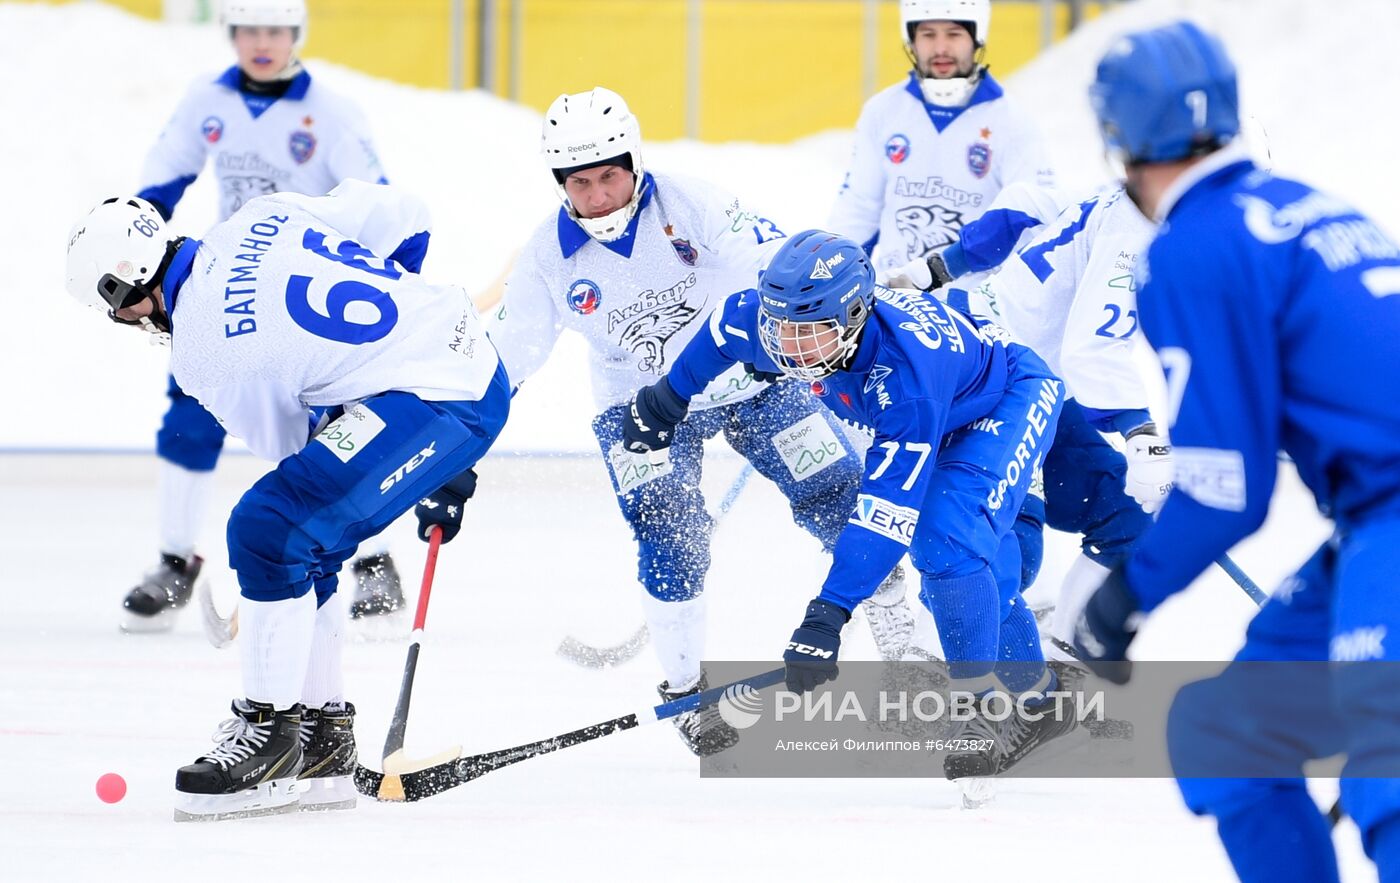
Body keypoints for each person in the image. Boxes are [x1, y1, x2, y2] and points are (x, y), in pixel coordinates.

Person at [1066, 21, 1400, 882]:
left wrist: (1122, 598)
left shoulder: (1193, 249)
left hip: (1392, 516)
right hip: (1371, 524)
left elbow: (1226, 489)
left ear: (1118, 137)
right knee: (1232, 731)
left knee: (1388, 773)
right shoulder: (1309, 204)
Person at [64, 180, 508, 820]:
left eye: (118, 313)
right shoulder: (261, 215)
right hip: (459, 357)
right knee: (303, 536)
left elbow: (291, 447)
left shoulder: (201, 350)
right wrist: (390, 346)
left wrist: (405, 424)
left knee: (268, 529)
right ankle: (322, 741)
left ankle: (271, 734)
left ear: (126, 293)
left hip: (439, 398)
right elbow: (408, 214)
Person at [486, 87, 911, 757]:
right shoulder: (547, 257)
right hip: (638, 405)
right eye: (580, 181)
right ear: (560, 182)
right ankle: (684, 689)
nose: (597, 194)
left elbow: (771, 259)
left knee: (839, 489)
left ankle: (900, 643)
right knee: (668, 526)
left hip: (745, 378)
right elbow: (509, 355)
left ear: (633, 161)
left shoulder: (690, 204)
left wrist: (809, 315)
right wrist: (456, 437)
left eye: (609, 175)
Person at [623, 230, 1079, 777]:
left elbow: (886, 513)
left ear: (857, 315)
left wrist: (827, 615)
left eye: (809, 334)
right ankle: (1039, 701)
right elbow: (723, 330)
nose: (790, 349)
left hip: (1001, 401)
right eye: (781, 328)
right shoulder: (776, 325)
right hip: (947, 400)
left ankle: (981, 707)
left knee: (944, 543)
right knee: (979, 572)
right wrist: (666, 399)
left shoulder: (905, 380)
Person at [125, 0, 402, 632]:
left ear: (295, 34)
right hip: (230, 287)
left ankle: (375, 561)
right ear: (231, 33)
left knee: (338, 422)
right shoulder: (208, 101)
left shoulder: (331, 114)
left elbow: (379, 203)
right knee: (190, 415)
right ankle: (174, 562)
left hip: (308, 290)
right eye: (248, 29)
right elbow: (158, 189)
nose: (261, 42)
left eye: (274, 29)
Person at [889, 182, 1170, 659]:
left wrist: (938, 268)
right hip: (992, 376)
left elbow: (1024, 204)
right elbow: (1094, 346)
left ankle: (1066, 666)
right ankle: (929, 664)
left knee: (1125, 520)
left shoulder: (1121, 191)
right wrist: (1140, 434)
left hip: (1030, 372)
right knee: (1004, 542)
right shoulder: (1137, 229)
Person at [828, 0, 1054, 278]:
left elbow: (1032, 223)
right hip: (897, 299)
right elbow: (858, 209)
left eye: (954, 33)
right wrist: (832, 272)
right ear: (910, 39)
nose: (941, 49)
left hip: (975, 309)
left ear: (976, 36)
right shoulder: (883, 111)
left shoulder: (1013, 122)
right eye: (928, 34)